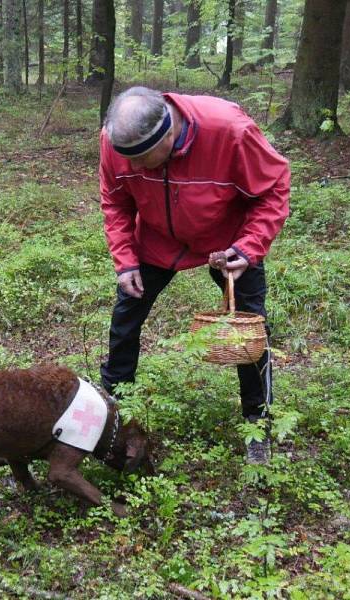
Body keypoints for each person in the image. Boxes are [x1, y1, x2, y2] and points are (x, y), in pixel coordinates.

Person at [98, 87, 290, 464]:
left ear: (168, 135)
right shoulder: (115, 141)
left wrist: (249, 247)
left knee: (250, 327)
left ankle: (257, 421)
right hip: (156, 241)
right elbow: (115, 200)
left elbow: (273, 188)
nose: (134, 168)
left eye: (142, 159)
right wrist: (126, 260)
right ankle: (114, 410)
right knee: (125, 321)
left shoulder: (230, 131)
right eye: (127, 158)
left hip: (229, 242)